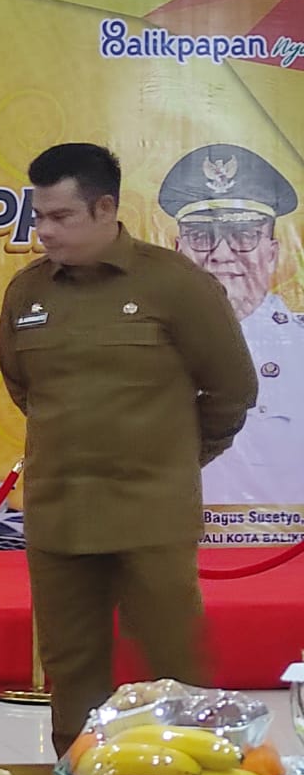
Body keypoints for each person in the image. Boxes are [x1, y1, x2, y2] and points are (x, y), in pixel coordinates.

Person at [0, 142, 256, 756]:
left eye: (60, 216)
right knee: (71, 669)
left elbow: (231, 389)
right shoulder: (28, 292)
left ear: (106, 208)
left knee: (174, 663)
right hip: (59, 514)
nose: (44, 231)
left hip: (151, 515)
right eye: (38, 216)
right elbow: (23, 386)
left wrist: (173, 458)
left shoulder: (175, 285)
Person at [159, 144, 304, 506]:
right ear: (179, 251)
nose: (221, 254)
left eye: (243, 234)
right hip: (169, 533)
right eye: (201, 236)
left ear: (272, 252)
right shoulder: (146, 346)